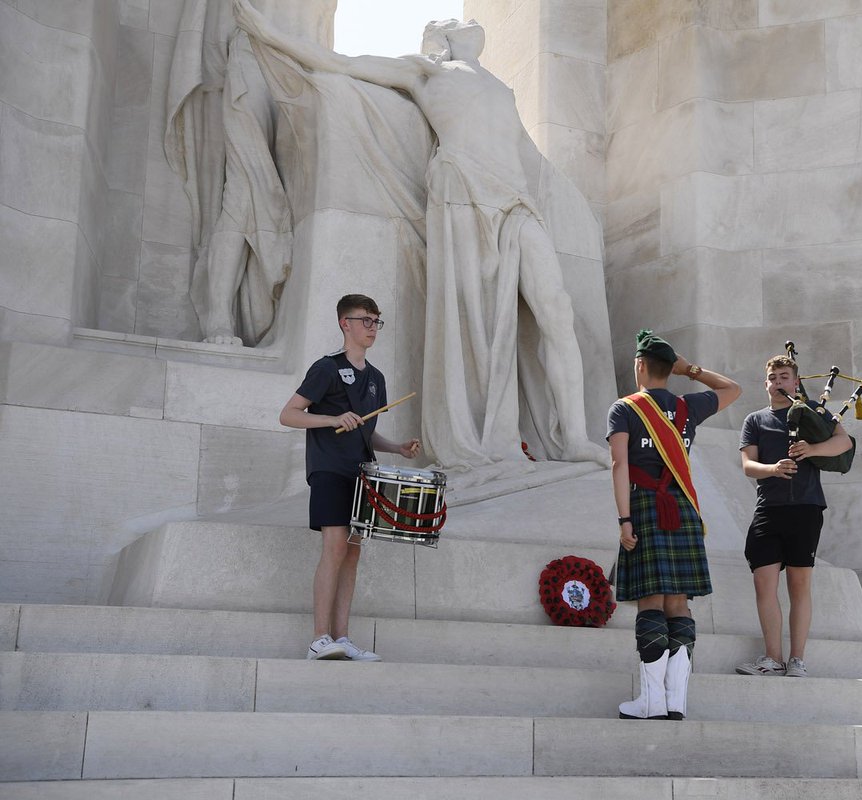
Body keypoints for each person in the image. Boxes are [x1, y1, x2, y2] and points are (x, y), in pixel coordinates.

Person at [234, 0, 606, 472]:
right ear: (440, 39)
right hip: (465, 195)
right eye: (454, 21)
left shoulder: (501, 87)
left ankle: (573, 435)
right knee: (478, 319)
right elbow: (344, 63)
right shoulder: (426, 72)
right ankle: (487, 432)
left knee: (556, 308)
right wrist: (269, 32)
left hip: (515, 203)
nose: (469, 21)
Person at [279, 293, 421, 660]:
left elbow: (365, 431)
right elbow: (290, 414)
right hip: (329, 469)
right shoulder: (326, 368)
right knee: (335, 547)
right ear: (346, 323)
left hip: (362, 473)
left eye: (377, 321)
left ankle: (341, 638)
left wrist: (398, 447)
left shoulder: (376, 378)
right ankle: (318, 638)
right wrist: (331, 419)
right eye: (366, 320)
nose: (373, 328)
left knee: (353, 553)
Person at [608, 330, 740, 719]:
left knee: (650, 599)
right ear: (671, 368)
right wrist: (691, 369)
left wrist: (624, 519)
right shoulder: (687, 407)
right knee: (679, 604)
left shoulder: (625, 408)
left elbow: (619, 465)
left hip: (647, 505)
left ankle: (651, 701)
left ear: (639, 365)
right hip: (682, 507)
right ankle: (676, 701)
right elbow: (732, 389)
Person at [736, 354, 852, 677]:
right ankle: (772, 657)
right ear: (766, 383)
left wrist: (811, 450)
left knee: (799, 585)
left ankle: (797, 659)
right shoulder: (755, 421)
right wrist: (773, 469)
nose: (778, 383)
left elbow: (843, 442)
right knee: (764, 583)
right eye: (773, 378)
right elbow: (748, 465)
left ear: (796, 381)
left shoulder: (811, 412)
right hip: (768, 510)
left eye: (784, 377)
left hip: (805, 507)